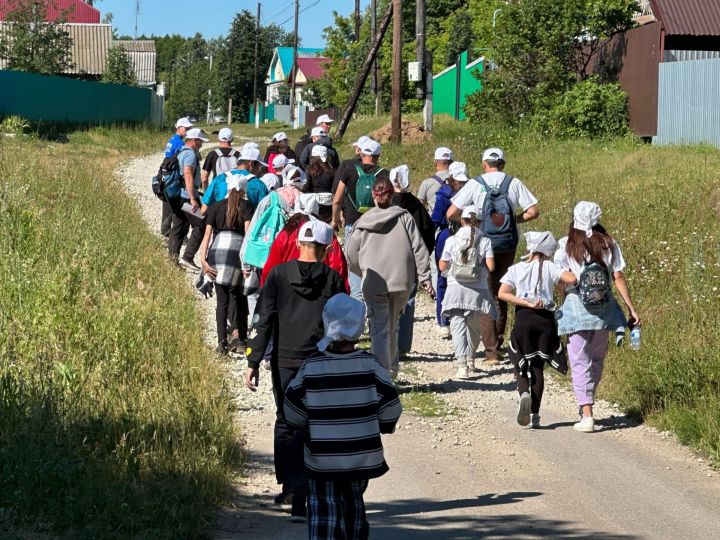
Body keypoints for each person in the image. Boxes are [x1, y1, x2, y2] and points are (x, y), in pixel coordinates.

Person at [245, 220, 346, 522]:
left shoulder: (276, 275)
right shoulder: (332, 278)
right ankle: (310, 490)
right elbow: (340, 325)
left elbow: (263, 320)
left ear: (299, 244)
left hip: (285, 360)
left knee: (287, 421)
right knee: (317, 424)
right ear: (327, 248)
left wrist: (252, 361)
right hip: (321, 359)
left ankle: (291, 487)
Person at [283, 293, 402, 540]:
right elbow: (391, 408)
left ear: (327, 323)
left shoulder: (312, 366)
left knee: (324, 513)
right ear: (360, 327)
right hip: (360, 458)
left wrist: (308, 421)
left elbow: (292, 412)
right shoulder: (371, 365)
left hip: (322, 459)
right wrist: (381, 424)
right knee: (354, 507)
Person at [554, 201, 641, 433]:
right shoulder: (609, 244)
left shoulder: (565, 245)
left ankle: (587, 412)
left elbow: (561, 279)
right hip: (604, 310)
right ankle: (588, 400)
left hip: (575, 308)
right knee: (597, 358)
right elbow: (618, 277)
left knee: (579, 359)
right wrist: (631, 309)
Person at [446, 147, 541, 352]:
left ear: (484, 164)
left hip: (483, 243)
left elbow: (451, 212)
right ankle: (497, 342)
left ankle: (490, 351)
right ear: (503, 164)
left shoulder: (475, 183)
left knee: (485, 291)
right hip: (507, 243)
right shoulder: (513, 183)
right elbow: (533, 211)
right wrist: (513, 221)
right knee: (501, 290)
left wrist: (472, 226)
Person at [345, 177, 435, 379]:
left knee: (379, 329)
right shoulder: (404, 218)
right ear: (392, 195)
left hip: (373, 281)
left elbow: (350, 253)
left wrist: (362, 271)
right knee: (392, 326)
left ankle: (381, 374)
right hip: (400, 280)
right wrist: (425, 278)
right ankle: (391, 370)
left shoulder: (363, 222)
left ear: (373, 196)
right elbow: (419, 248)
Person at [498, 232, 577, 428]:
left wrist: (524, 301)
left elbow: (502, 293)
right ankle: (535, 414)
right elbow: (571, 278)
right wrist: (559, 277)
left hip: (524, 317)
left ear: (531, 249)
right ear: (548, 252)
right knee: (538, 367)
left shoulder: (516, 268)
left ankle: (523, 392)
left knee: (521, 362)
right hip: (546, 320)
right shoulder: (550, 267)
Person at [438, 206, 498, 379]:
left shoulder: (452, 240)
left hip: (455, 287)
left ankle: (461, 365)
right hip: (478, 290)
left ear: (461, 220)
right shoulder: (484, 241)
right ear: (479, 221)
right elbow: (491, 267)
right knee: (474, 326)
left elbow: (442, 266)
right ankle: (471, 359)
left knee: (457, 326)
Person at [199, 175, 254, 355]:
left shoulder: (216, 207)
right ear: (243, 190)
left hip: (217, 253)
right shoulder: (246, 206)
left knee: (221, 301)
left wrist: (203, 260)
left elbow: (207, 235)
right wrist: (247, 263)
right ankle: (240, 339)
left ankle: (221, 343)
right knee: (237, 296)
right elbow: (247, 235)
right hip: (236, 253)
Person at [332, 139, 390, 300]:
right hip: (377, 226)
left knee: (354, 265)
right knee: (375, 262)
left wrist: (335, 220)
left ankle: (358, 300)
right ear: (378, 156)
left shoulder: (349, 170)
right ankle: (374, 297)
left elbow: (337, 199)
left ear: (361, 153)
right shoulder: (384, 174)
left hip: (353, 224)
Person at [390, 165, 435, 357]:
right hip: (411, 261)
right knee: (408, 302)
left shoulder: (388, 203)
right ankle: (402, 347)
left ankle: (386, 341)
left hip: (388, 260)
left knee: (387, 301)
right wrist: (422, 256)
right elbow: (428, 233)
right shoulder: (417, 206)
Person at [261, 193, 349, 290]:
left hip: (286, 292)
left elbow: (270, 269)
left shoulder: (286, 233)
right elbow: (338, 267)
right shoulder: (326, 235)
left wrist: (266, 292)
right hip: (320, 291)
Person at [432, 162, 471, 338]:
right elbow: (435, 221)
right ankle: (443, 320)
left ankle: (463, 318)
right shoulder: (443, 196)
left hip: (467, 236)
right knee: (443, 278)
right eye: (458, 181)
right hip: (447, 236)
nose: (461, 184)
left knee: (466, 276)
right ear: (451, 179)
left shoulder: (472, 190)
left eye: (463, 181)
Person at [168, 127, 208, 273]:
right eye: (201, 141)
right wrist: (193, 198)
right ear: (195, 141)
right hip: (186, 197)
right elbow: (188, 175)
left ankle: (172, 260)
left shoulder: (181, 151)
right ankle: (188, 257)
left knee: (178, 226)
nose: (202, 144)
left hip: (177, 195)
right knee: (201, 224)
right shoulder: (190, 154)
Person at [201, 146, 267, 214]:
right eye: (259, 166)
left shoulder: (219, 179)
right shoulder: (259, 185)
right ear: (251, 164)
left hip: (220, 223)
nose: (259, 170)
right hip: (247, 223)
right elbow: (262, 214)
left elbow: (204, 210)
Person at [161, 117, 193, 240]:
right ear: (179, 128)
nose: (188, 130)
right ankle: (177, 234)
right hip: (174, 176)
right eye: (186, 128)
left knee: (168, 204)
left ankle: (165, 231)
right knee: (177, 205)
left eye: (190, 128)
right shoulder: (180, 143)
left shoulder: (172, 139)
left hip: (167, 175)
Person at [417, 146, 454, 216]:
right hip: (457, 225)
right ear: (452, 163)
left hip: (434, 225)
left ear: (436, 163)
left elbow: (419, 208)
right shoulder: (460, 182)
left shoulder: (427, 183)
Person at [305, 145, 336, 223]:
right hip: (328, 202)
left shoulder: (309, 170)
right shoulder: (333, 171)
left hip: (314, 202)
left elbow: (307, 186)